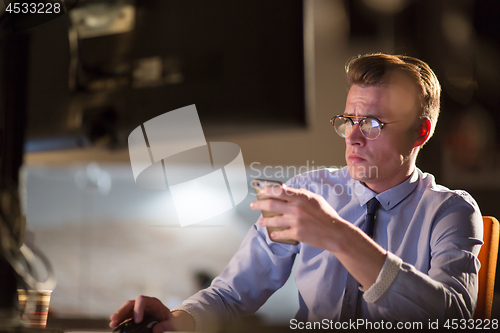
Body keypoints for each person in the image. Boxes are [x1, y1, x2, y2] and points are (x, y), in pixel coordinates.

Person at [109, 53, 483, 332]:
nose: (352, 136)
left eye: (371, 123)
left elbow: (452, 319)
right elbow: (231, 294)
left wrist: (337, 235)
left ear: (421, 132)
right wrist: (178, 321)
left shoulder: (450, 211)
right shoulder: (307, 191)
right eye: (349, 120)